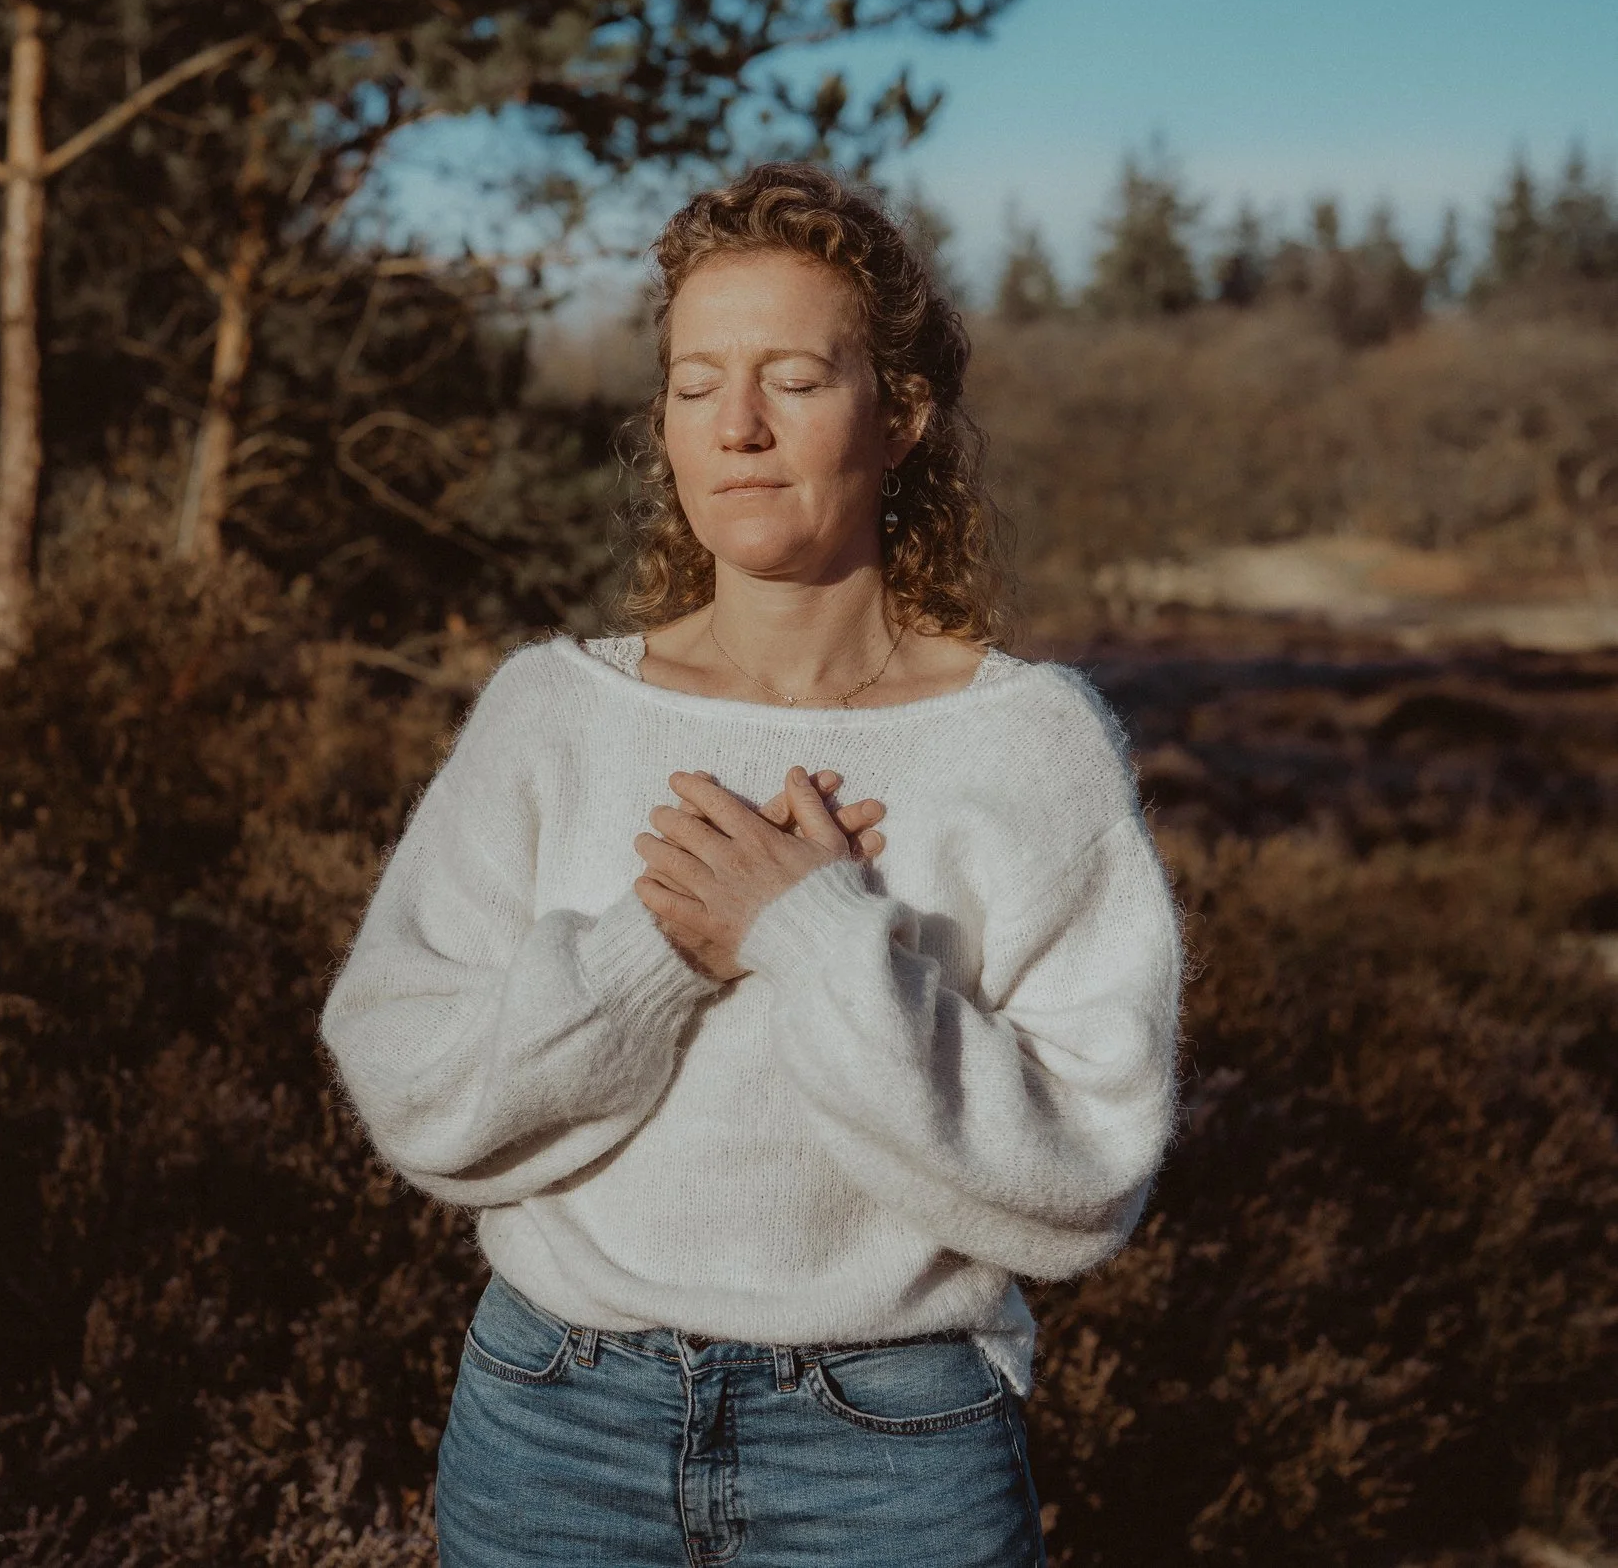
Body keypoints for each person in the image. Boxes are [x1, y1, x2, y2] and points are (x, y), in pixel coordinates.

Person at [317, 160, 1184, 1568]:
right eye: (694, 380)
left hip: (891, 1450)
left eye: (792, 376)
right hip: (554, 1426)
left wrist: (815, 934)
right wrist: (654, 954)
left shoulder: (1029, 747)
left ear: (898, 415)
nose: (735, 426)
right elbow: (410, 1078)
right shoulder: (555, 712)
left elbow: (1087, 1169)